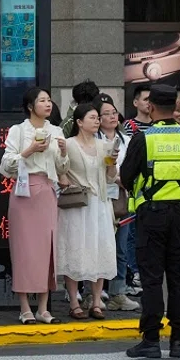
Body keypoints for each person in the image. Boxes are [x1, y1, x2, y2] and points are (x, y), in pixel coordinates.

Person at [120, 84, 180, 359]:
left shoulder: (143, 139)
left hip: (151, 214)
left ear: (150, 107)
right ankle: (178, 341)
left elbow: (127, 175)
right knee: (178, 277)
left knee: (152, 278)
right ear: (176, 107)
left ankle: (151, 339)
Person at [0, 87, 69, 325]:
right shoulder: (18, 131)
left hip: (47, 191)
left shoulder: (57, 130)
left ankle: (43, 307)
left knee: (46, 249)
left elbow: (61, 169)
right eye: (42, 100)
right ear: (30, 106)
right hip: (24, 191)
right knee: (24, 249)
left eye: (49, 100)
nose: (48, 104)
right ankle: (24, 307)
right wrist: (29, 151)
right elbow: (5, 165)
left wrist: (62, 153)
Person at [57, 104, 117, 321]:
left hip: (100, 204)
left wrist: (113, 161)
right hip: (77, 204)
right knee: (74, 249)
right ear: (79, 122)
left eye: (97, 118)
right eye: (92, 117)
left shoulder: (104, 145)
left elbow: (110, 177)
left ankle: (97, 300)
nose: (97, 121)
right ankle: (74, 301)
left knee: (99, 249)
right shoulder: (69, 144)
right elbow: (60, 171)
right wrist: (63, 154)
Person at [94, 95, 139, 312]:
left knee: (120, 247)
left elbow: (132, 165)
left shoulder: (126, 140)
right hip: (100, 197)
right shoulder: (94, 140)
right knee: (99, 246)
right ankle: (93, 292)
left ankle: (118, 292)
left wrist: (123, 180)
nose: (112, 117)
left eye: (114, 113)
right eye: (106, 114)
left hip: (122, 197)